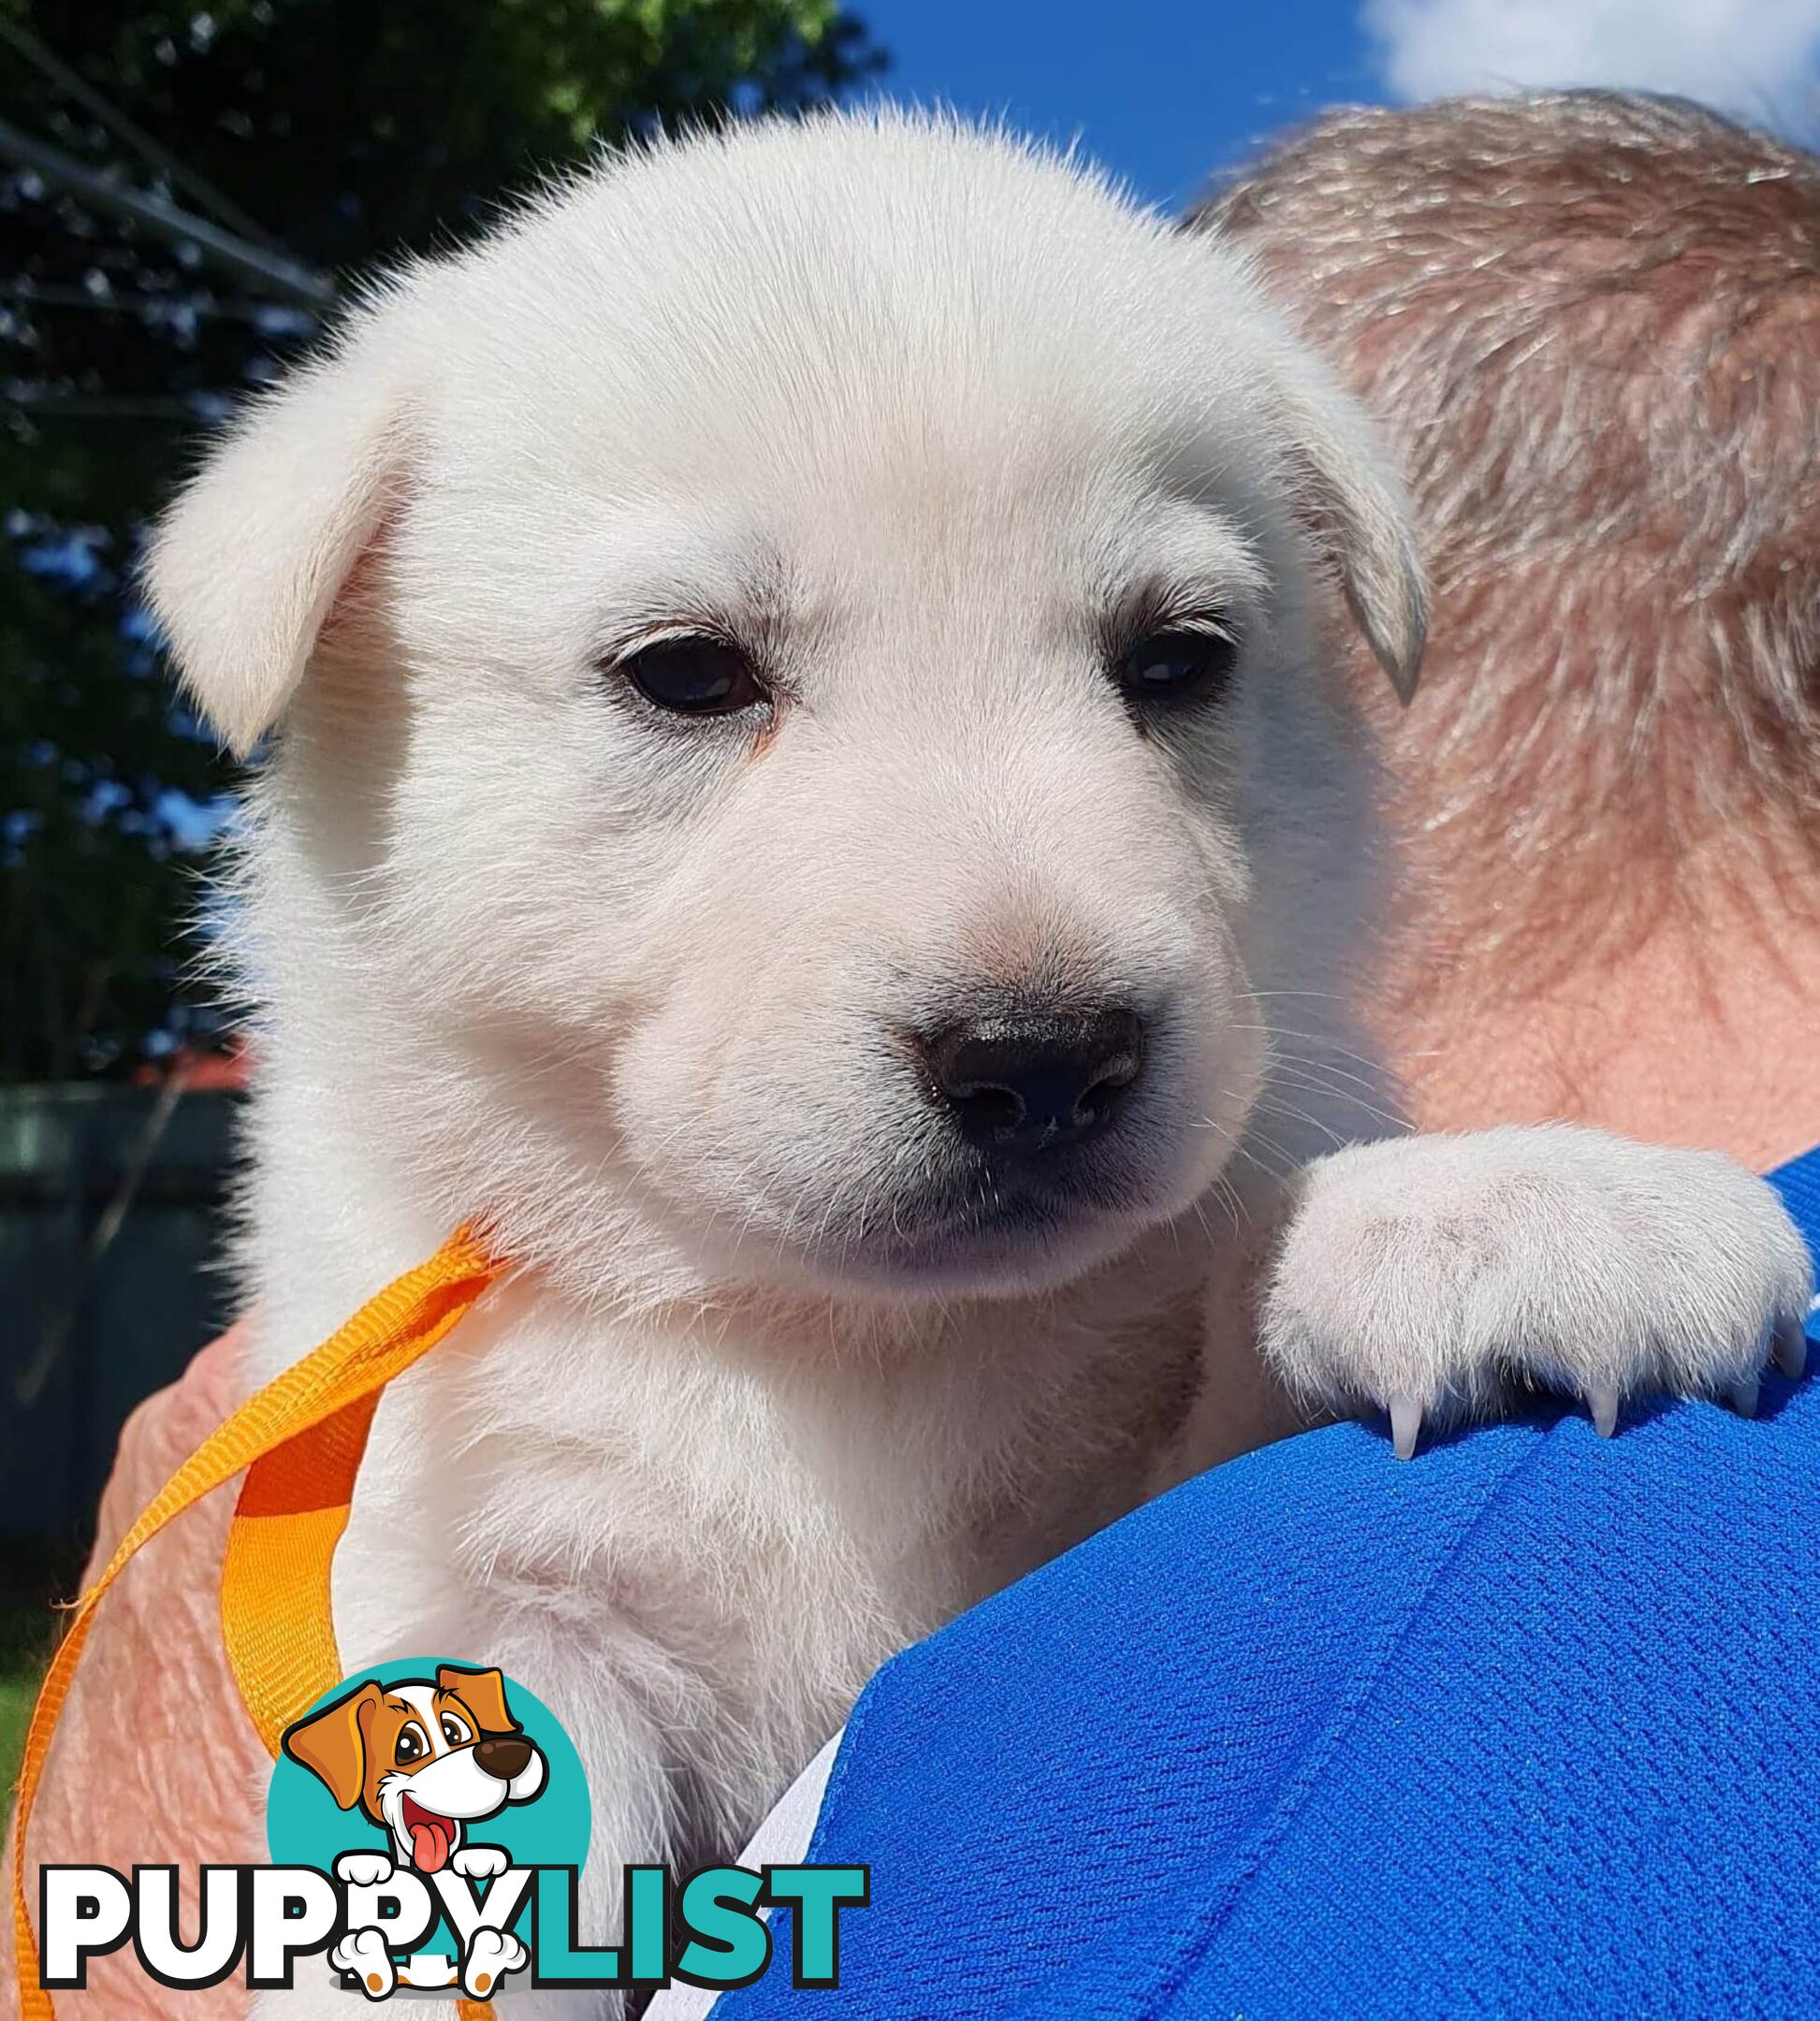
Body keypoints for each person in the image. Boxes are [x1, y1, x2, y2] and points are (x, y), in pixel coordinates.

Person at [656, 92, 1820, 2019]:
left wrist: (228, 1740)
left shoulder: (1442, 1601)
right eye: (701, 680)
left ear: (1371, 644)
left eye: (1164, 660)